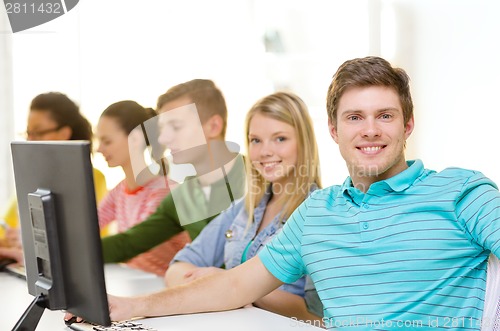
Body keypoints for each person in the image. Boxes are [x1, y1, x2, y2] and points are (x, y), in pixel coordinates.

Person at [66, 56, 499, 330]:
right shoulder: (318, 213)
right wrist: (129, 307)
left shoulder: (461, 191)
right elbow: (234, 285)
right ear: (333, 130)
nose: (369, 130)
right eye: (354, 117)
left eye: (384, 115)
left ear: (407, 126)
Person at [165, 91, 322, 321]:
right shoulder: (242, 209)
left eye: (280, 138)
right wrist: (223, 285)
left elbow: (315, 314)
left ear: (303, 142)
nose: (265, 151)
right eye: (255, 140)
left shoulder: (319, 213)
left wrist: (231, 286)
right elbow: (177, 268)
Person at [100, 79, 246, 265]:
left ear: (213, 126)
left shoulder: (260, 181)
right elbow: (128, 243)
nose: (163, 138)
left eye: (176, 127)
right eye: (162, 129)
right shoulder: (182, 197)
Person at [0, 92, 107, 264]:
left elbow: (86, 239)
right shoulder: (33, 178)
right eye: (28, 133)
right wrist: (12, 240)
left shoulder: (92, 178)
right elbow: (4, 226)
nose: (30, 140)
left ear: (64, 133)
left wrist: (26, 239)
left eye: (38, 133)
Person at [96, 100, 190, 276]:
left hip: (165, 287)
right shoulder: (119, 191)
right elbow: (91, 224)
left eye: (106, 141)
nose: (99, 149)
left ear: (136, 139)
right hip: (135, 284)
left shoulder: (163, 191)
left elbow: (134, 244)